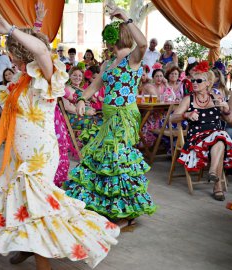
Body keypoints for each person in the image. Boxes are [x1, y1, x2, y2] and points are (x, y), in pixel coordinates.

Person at [0, 13, 119, 270]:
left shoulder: (48, 76)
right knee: (18, 201)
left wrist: (10, 30)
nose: (10, 58)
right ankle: (25, 246)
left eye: (12, 53)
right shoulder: (19, 81)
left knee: (36, 206)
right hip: (18, 155)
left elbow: (42, 50)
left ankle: (43, 262)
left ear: (20, 52)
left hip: (40, 156)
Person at [63, 4, 156, 225]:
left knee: (117, 158)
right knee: (102, 158)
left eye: (109, 35)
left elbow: (143, 43)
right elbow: (93, 86)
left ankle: (124, 210)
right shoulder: (107, 63)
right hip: (107, 119)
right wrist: (83, 100)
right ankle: (105, 204)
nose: (107, 39)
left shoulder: (132, 58)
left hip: (124, 117)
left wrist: (127, 17)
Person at [171, 61, 232, 201]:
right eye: (193, 80)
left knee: (219, 140)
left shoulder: (215, 98)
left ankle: (214, 173)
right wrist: (186, 115)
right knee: (221, 137)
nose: (194, 83)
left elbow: (229, 119)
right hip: (196, 139)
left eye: (198, 80)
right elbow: (172, 118)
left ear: (208, 83)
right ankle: (217, 185)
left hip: (216, 137)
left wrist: (226, 110)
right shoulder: (188, 99)